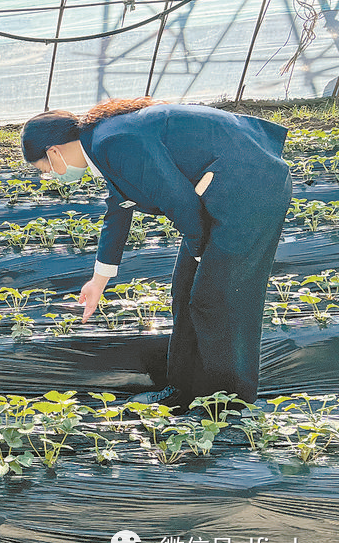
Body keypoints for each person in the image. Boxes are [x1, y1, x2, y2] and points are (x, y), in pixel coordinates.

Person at [21, 97, 291, 411]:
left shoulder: (113, 140)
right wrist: (98, 280)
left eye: (46, 169)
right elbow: (118, 209)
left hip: (249, 189)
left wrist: (200, 251)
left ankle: (226, 403)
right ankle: (182, 390)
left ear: (53, 152)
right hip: (220, 191)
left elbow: (178, 200)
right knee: (184, 291)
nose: (52, 175)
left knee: (217, 300)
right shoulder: (101, 143)